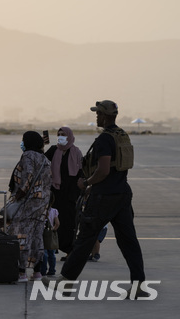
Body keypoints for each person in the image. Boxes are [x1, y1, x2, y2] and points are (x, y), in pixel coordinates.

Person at [48, 100, 148, 299]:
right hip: (122, 193)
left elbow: (102, 170)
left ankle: (66, 282)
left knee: (85, 238)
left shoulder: (105, 140)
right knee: (129, 241)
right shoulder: (122, 135)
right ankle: (138, 285)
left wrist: (86, 183)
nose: (96, 117)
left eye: (98, 114)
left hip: (104, 196)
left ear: (105, 116)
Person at [7, 131, 52, 282]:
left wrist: (19, 194)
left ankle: (21, 272)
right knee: (37, 237)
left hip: (28, 202)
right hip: (42, 203)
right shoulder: (45, 159)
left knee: (21, 235)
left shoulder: (28, 156)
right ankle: (37, 271)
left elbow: (28, 176)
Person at [45, 126, 83, 259]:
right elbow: (42, 162)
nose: (60, 136)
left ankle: (70, 251)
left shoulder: (76, 152)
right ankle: (52, 248)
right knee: (54, 222)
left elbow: (81, 173)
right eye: (58, 134)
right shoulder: (53, 150)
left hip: (71, 194)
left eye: (63, 134)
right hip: (55, 193)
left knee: (69, 224)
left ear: (69, 136)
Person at [41, 195, 60, 277]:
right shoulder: (54, 211)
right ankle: (52, 270)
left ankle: (43, 270)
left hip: (43, 234)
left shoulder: (41, 211)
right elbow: (57, 223)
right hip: (50, 235)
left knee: (44, 254)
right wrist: (53, 229)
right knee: (52, 254)